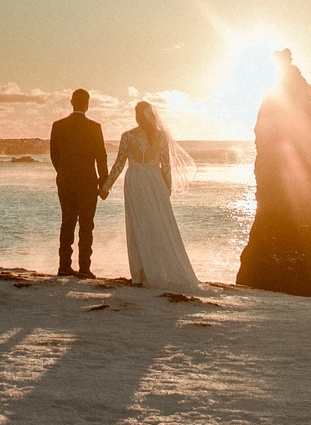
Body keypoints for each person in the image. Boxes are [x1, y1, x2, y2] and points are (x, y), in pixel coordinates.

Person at [102, 99, 199, 291]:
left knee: (138, 225)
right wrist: (166, 189)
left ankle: (140, 274)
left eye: (137, 114)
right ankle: (155, 271)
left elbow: (119, 164)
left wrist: (106, 186)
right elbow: (167, 167)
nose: (136, 117)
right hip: (155, 182)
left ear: (140, 116)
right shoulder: (160, 137)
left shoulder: (128, 136)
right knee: (158, 225)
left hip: (136, 181)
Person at [49, 89, 108, 276]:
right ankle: (84, 268)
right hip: (88, 182)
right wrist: (103, 183)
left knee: (67, 222)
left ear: (71, 102)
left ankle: (64, 266)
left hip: (65, 181)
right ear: (87, 104)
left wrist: (64, 172)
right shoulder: (94, 127)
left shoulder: (58, 126)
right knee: (86, 225)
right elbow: (101, 157)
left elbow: (54, 155)